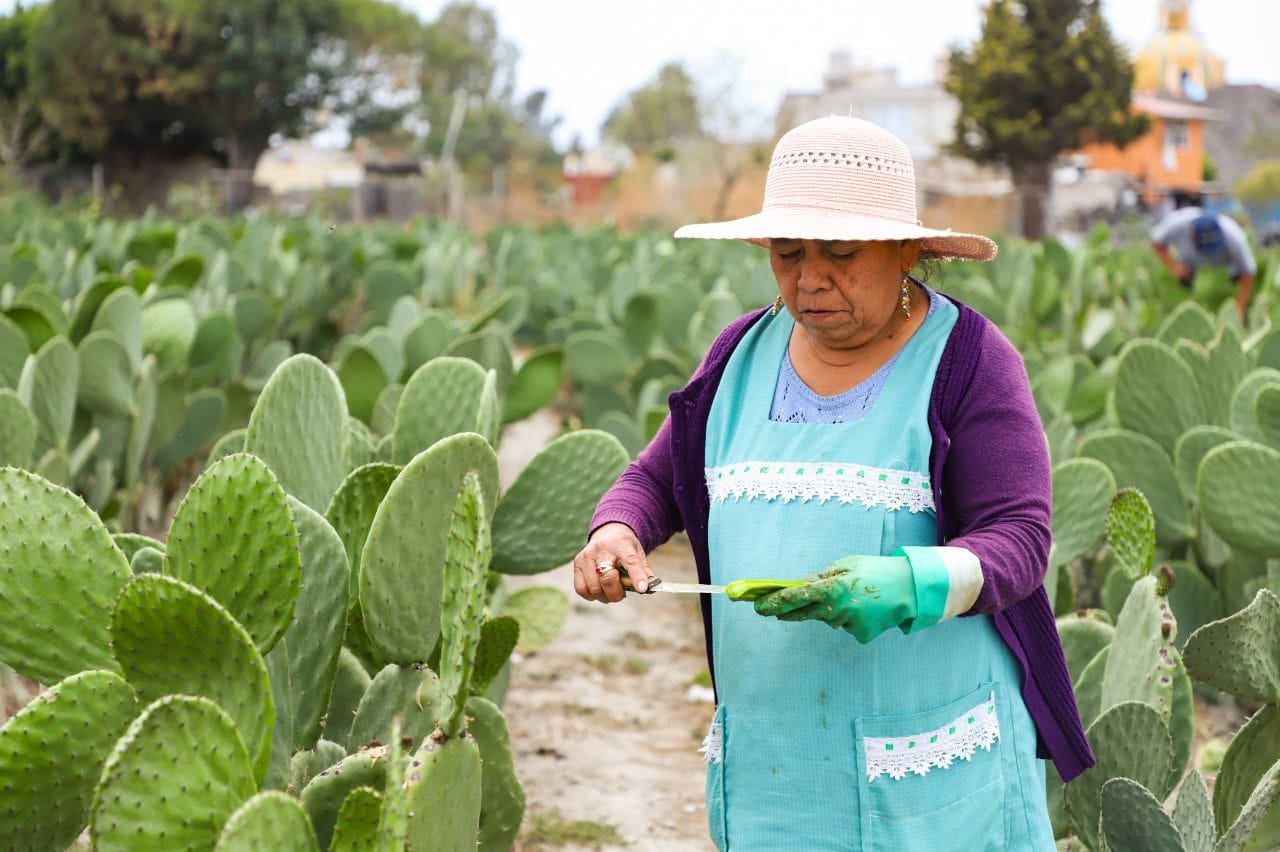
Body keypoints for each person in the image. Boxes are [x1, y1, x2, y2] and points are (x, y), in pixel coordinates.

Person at [573, 116, 1092, 850]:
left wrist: (912, 582)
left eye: (841, 253)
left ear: (907, 251)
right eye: (788, 254)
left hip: (926, 778)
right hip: (773, 773)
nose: (810, 279)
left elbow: (1021, 540)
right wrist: (616, 531)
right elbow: (656, 478)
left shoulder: (969, 362)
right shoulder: (738, 356)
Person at [1150, 205, 1257, 318]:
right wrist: (1174, 267)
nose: (1208, 254)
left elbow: (1248, 272)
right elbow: (1156, 241)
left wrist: (1239, 308)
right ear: (1191, 234)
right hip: (1190, 273)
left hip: (1226, 276)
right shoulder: (1176, 224)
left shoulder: (1234, 236)